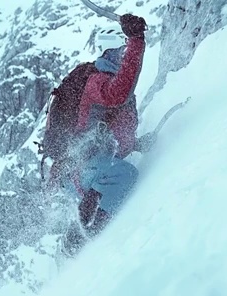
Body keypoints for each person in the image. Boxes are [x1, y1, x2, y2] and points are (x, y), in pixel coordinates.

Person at [49, 14, 154, 256]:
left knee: (119, 170)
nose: (124, 57)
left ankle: (84, 223)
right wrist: (136, 41)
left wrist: (135, 145)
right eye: (121, 52)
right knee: (125, 174)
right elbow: (119, 93)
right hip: (80, 169)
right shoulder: (97, 82)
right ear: (109, 52)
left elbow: (107, 134)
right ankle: (87, 230)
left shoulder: (105, 79)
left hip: (88, 165)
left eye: (125, 51)